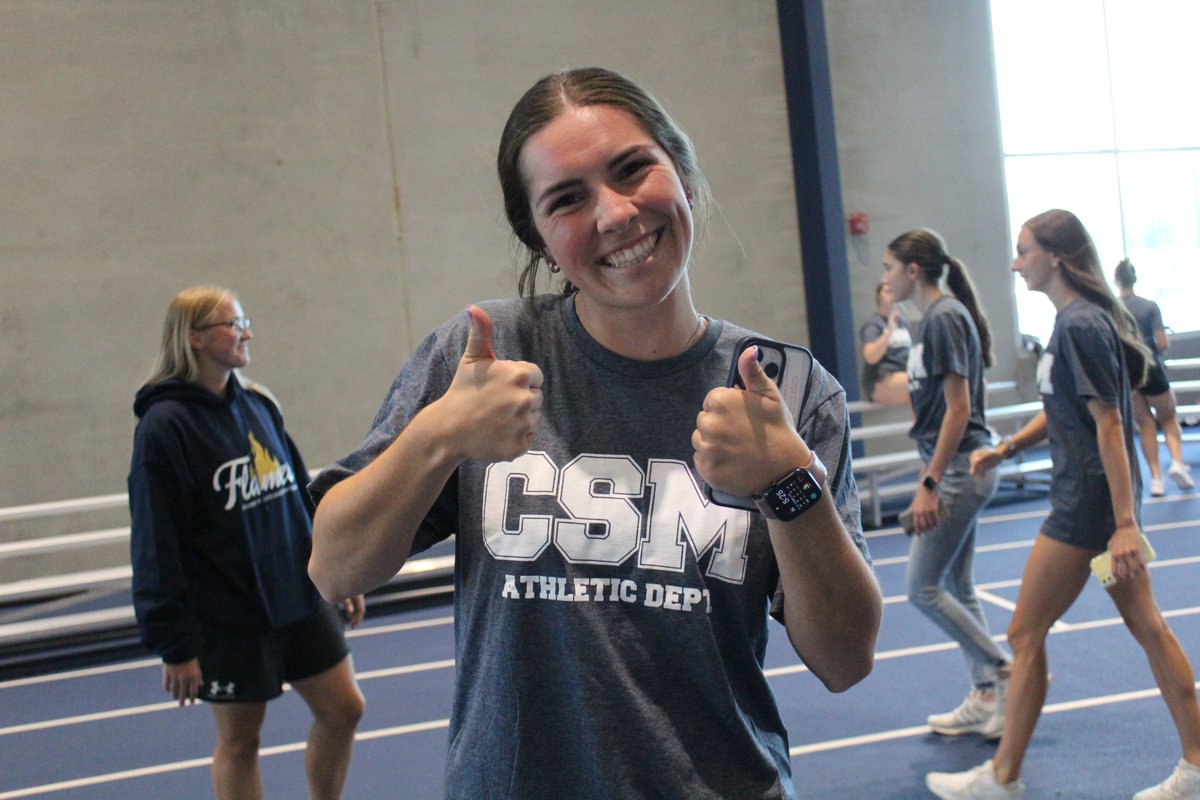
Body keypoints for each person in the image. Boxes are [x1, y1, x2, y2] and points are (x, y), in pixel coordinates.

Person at [307, 66, 882, 800]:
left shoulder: (787, 390)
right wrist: (436, 437)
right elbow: (334, 567)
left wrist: (788, 481)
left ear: (682, 170)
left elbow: (846, 660)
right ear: (541, 239)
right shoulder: (484, 356)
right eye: (567, 199)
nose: (614, 214)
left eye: (632, 169)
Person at [926, 210, 1200, 800]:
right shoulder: (1079, 322)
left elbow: (1109, 425)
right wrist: (1008, 447)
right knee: (1148, 628)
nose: (1015, 261)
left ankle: (1002, 778)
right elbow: (1065, 410)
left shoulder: (1079, 324)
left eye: (1023, 251)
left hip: (1085, 513)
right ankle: (1196, 769)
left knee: (1025, 633)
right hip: (1095, 509)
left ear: (1055, 257)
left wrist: (1125, 523)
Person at [128, 286, 365, 800]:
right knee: (240, 744)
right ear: (194, 338)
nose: (246, 332)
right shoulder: (164, 427)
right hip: (228, 616)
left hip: (298, 598)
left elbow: (299, 495)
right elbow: (155, 540)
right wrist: (175, 644)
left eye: (244, 321)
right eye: (232, 324)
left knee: (345, 710)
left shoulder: (258, 403)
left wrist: (337, 568)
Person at [882, 229, 1011, 739]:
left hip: (959, 468)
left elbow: (959, 409)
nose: (885, 277)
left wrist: (929, 483)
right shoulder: (931, 322)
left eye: (890, 267)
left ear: (914, 270)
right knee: (956, 584)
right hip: (951, 463)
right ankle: (986, 693)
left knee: (922, 588)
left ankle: (1004, 671)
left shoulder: (944, 318)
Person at [1115, 258, 1194, 496]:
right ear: (1135, 278)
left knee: (1146, 423)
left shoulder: (1113, 309)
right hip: (1152, 369)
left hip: (1129, 374)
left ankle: (1156, 478)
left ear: (1116, 281)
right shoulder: (1149, 307)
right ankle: (1178, 463)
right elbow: (1161, 342)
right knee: (1168, 418)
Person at [860, 280, 913, 407]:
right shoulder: (873, 325)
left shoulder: (904, 324)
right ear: (879, 296)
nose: (893, 294)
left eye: (894, 291)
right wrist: (889, 331)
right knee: (918, 383)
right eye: (888, 291)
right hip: (881, 379)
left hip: (904, 374)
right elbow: (871, 356)